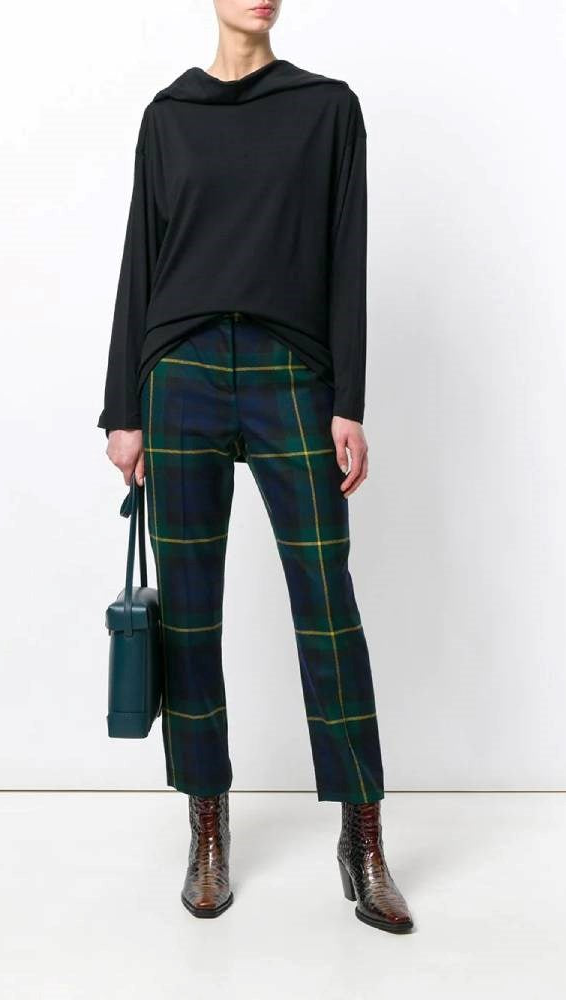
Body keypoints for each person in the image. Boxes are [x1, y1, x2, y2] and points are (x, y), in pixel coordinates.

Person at [99, 0, 413, 934]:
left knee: (327, 606)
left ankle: (363, 837)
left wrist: (348, 397)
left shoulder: (327, 108)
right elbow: (141, 257)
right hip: (180, 374)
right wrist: (124, 409)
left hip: (292, 375)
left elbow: (347, 252)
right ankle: (207, 827)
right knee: (190, 616)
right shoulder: (169, 115)